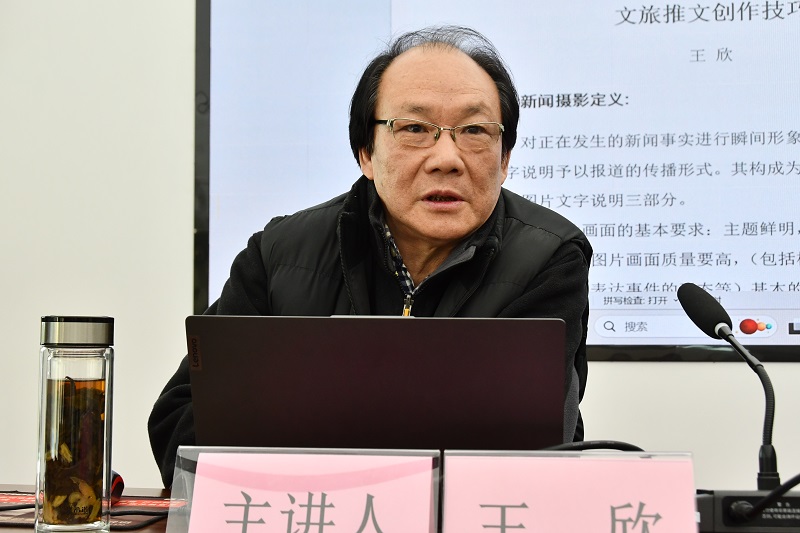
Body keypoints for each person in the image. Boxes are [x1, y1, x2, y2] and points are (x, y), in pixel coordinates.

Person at [148, 25, 592, 487]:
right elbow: (183, 422)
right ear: (365, 152)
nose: (446, 158)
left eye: (475, 130)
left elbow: (530, 450)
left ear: (504, 159)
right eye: (414, 128)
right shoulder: (280, 254)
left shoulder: (549, 259)